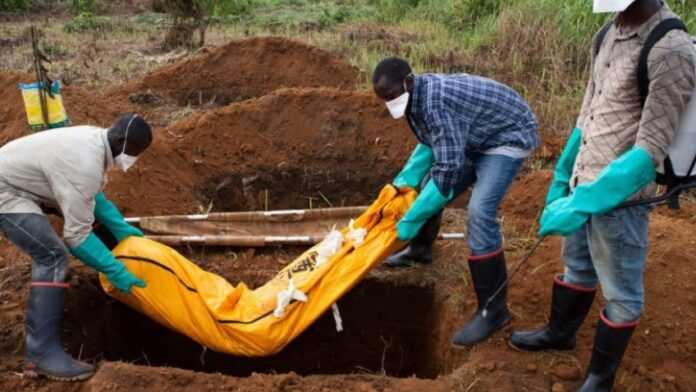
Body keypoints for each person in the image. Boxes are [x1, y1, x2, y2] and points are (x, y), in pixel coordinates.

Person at [509, 0, 695, 390]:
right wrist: (563, 175)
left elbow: (650, 150)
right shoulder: (608, 32)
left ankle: (599, 379)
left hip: (620, 199)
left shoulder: (671, 49)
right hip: (583, 177)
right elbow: (587, 112)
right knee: (577, 265)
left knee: (623, 293)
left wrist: (583, 202)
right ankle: (560, 333)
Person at [372, 57, 540, 346]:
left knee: (479, 212)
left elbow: (448, 170)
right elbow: (430, 144)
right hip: (474, 134)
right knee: (425, 186)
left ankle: (493, 311)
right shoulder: (415, 97)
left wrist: (411, 218)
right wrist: (402, 182)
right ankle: (420, 250)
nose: (390, 102)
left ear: (408, 81)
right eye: (384, 99)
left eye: (392, 96)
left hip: (506, 135)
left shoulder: (435, 104)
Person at [0, 114, 153, 381]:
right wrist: (114, 269)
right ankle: (41, 355)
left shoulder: (95, 141)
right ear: (119, 140)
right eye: (133, 152)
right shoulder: (84, 162)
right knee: (52, 256)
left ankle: (42, 353)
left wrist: (120, 227)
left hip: (17, 179)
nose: (133, 159)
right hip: (6, 189)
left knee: (53, 252)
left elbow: (93, 194)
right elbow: (77, 236)